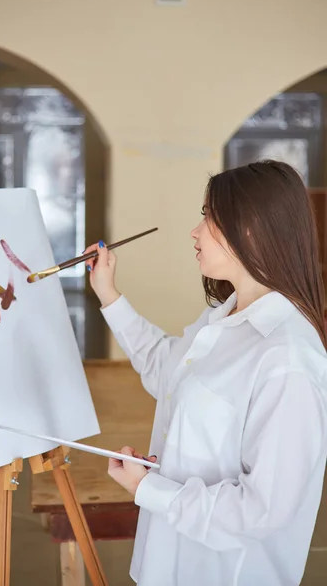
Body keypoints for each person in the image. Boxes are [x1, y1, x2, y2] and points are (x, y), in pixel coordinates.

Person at [83, 160, 327, 586]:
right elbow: (164, 369)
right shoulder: (224, 315)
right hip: (168, 562)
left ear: (250, 229)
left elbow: (264, 509)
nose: (195, 232)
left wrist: (150, 490)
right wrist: (108, 292)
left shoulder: (288, 358)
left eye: (209, 218)